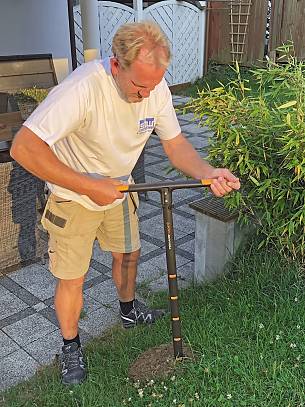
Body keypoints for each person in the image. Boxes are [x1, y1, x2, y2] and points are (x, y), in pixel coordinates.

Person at [10, 21, 240, 385]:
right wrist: (87, 185)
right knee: (73, 278)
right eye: (139, 86)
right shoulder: (83, 88)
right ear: (116, 65)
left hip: (119, 192)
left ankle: (129, 310)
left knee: (128, 255)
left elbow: (175, 144)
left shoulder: (154, 87)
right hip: (73, 197)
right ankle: (71, 346)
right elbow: (24, 147)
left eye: (153, 85)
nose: (147, 95)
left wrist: (207, 172)